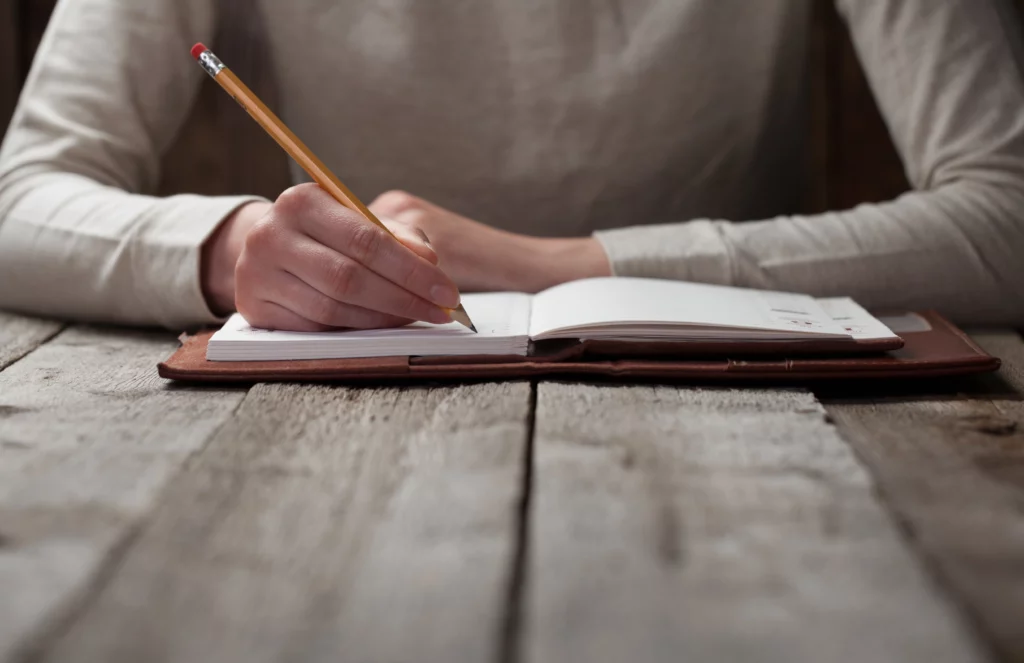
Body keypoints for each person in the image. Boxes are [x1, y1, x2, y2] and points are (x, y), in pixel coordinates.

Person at [1, 0, 1023, 332]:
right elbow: (19, 198)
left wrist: (546, 268)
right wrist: (227, 248)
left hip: (760, 427)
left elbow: (1006, 212)